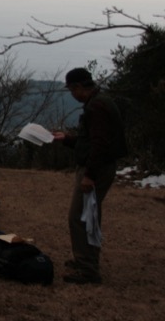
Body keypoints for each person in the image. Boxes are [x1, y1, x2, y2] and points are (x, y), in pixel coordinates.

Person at [53, 67, 127, 285]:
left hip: (96, 169)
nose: (72, 95)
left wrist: (89, 175)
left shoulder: (97, 107)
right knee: (90, 215)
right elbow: (90, 141)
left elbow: (99, 144)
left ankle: (87, 269)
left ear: (77, 87)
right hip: (101, 166)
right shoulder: (100, 102)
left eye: (71, 90)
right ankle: (86, 260)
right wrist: (66, 138)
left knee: (78, 216)